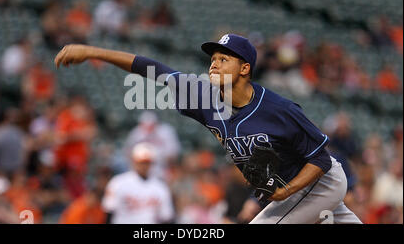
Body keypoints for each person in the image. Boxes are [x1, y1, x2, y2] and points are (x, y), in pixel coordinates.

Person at [54, 33, 362, 224]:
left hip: (318, 182)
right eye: (212, 59)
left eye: (224, 59)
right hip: (295, 187)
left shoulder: (280, 110)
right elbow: (152, 68)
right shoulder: (203, 96)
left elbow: (321, 160)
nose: (213, 64)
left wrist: (285, 191)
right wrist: (92, 51)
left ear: (245, 69)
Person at [101, 142, 174, 224]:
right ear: (133, 161)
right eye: (141, 162)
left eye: (147, 162)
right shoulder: (118, 183)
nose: (144, 166)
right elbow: (109, 212)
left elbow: (166, 217)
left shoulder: (160, 187)